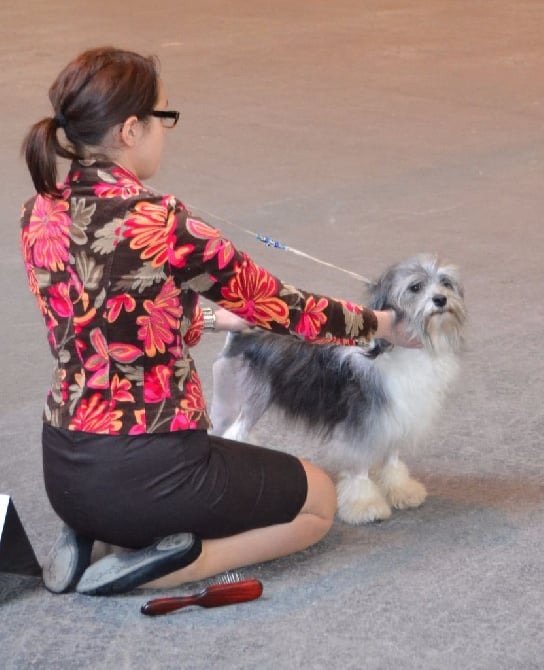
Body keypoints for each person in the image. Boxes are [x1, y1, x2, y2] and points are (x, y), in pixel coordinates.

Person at [20, 47, 420, 596]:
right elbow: (286, 309)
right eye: (165, 117)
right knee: (318, 501)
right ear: (131, 129)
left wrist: (210, 317)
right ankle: (180, 563)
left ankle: (95, 532)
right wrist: (379, 323)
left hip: (63, 468)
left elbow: (109, 316)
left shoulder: (38, 209)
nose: (168, 131)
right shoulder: (162, 223)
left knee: (132, 493)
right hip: (149, 469)